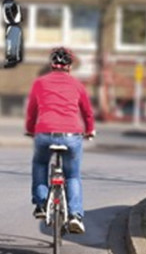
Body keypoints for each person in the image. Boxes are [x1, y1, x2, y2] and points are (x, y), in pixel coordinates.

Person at [25, 46, 95, 234]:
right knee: (72, 175)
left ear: (51, 65)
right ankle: (75, 215)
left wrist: (30, 130)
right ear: (70, 67)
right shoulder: (77, 85)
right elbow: (87, 112)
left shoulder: (40, 83)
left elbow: (32, 111)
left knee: (40, 163)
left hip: (45, 134)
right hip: (72, 135)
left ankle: (40, 204)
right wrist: (90, 130)